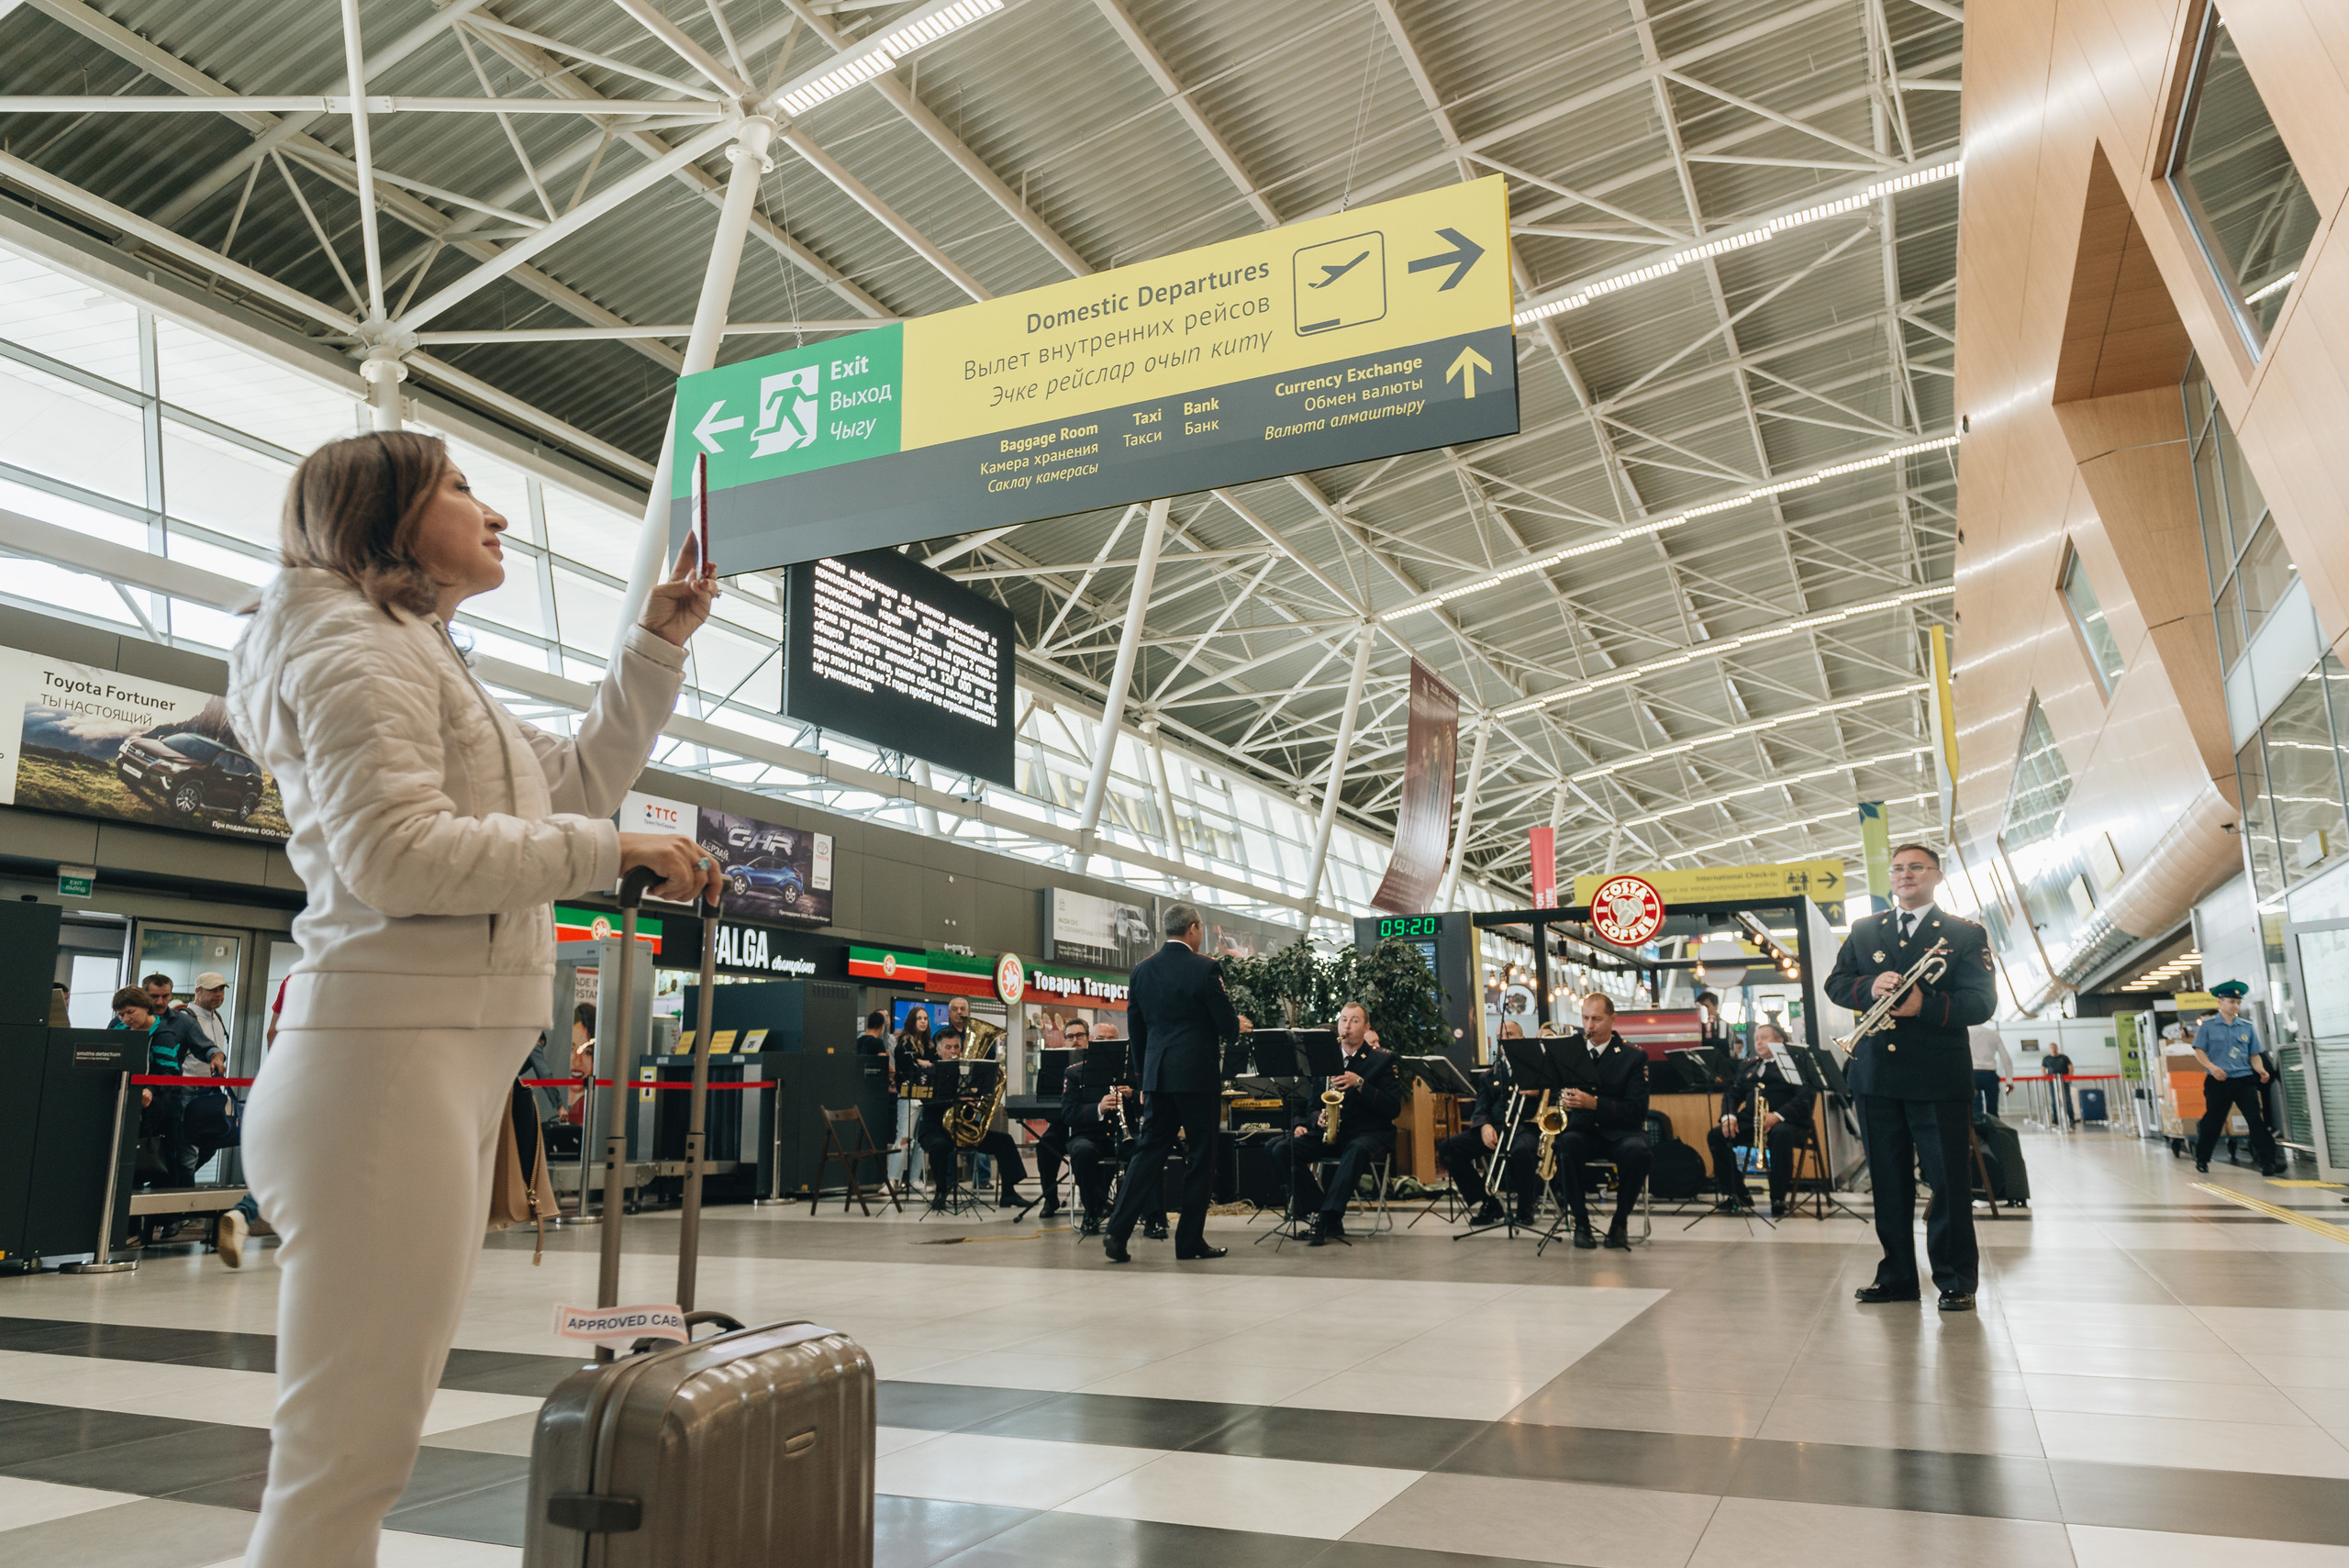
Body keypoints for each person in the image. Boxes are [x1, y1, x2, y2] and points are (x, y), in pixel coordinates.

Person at [225, 429, 718, 1566]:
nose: (494, 514)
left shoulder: (417, 648)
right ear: (381, 515)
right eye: (459, 488)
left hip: (420, 1056)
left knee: (359, 1437)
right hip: (386, 1060)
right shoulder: (351, 641)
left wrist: (651, 648)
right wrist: (612, 848)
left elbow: (577, 783)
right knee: (346, 1445)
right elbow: (397, 856)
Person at [1825, 842, 1996, 1312]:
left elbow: (1982, 1003)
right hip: (1875, 1076)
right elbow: (1836, 984)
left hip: (1937, 1078)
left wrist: (1927, 1005)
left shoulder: (1964, 934)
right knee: (1888, 1182)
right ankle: (1897, 1275)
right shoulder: (1864, 930)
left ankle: (1955, 1279)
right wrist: (1867, 987)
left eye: (1916, 867)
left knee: (1947, 1183)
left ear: (1937, 876)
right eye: (1898, 868)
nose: (1905, 875)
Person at [1103, 902, 1251, 1263]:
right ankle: (1188, 1242)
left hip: (1156, 1077)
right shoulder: (1206, 968)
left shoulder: (1141, 971)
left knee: (1148, 1152)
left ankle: (1117, 1231)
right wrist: (1239, 1025)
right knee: (1201, 1155)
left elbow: (1135, 1032)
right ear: (1194, 928)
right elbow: (1226, 1026)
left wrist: (1142, 1078)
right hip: (1196, 1078)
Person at [1289, 1001, 1402, 1245]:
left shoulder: (1382, 1060)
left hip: (1370, 1134)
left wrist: (1360, 1083)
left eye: (1354, 1021)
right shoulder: (1325, 1060)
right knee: (1280, 1149)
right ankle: (1320, 1212)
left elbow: (1393, 1108)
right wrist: (1316, 1118)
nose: (1347, 1026)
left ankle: (1328, 1218)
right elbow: (1311, 1107)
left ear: (1366, 1027)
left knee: (1357, 1149)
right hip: (1333, 1133)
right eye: (1343, 1020)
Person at [1553, 993, 1652, 1250]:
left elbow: (1637, 1111)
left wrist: (1595, 1104)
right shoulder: (1571, 1053)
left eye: (1596, 1019)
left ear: (1613, 1019)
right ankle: (1581, 1224)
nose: (1589, 1026)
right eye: (1585, 1018)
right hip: (1583, 1130)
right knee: (1565, 1146)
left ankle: (1619, 1223)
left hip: (1621, 1131)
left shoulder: (1633, 1056)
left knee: (1638, 1152)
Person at [1438, 1025, 1540, 1227]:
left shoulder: (1539, 1070)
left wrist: (1540, 1091)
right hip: (1497, 1131)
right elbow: (1481, 1108)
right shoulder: (1489, 1076)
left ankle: (1525, 1207)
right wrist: (1484, 1126)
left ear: (1523, 1038)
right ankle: (1489, 1202)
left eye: (1510, 1035)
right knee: (1448, 1148)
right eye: (1501, 1037)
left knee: (1523, 1150)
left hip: (1526, 1129)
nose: (1505, 1041)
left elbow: (1554, 1098)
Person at [1708, 1022, 1812, 1218]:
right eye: (1756, 1039)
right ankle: (1737, 1194)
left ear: (1780, 1040)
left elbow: (1805, 1096)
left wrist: (1778, 1116)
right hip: (1752, 1120)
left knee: (1780, 1135)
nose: (1759, 1042)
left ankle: (1778, 1197)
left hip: (1786, 1121)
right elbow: (1732, 1094)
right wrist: (1728, 1117)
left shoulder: (1794, 1065)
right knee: (1716, 1136)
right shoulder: (1748, 1065)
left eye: (1765, 1038)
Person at [914, 1034, 1028, 1211]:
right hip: (935, 1129)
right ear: (938, 1050)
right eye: (948, 1047)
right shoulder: (928, 1073)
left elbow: (980, 1098)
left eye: (956, 1047)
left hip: (962, 1129)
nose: (953, 1052)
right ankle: (941, 1191)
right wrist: (956, 1099)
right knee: (939, 1146)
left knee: (1004, 1141)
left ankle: (1009, 1192)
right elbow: (926, 1101)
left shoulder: (969, 1074)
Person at [2193, 980, 2284, 1174]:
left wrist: (2260, 1070)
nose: (2235, 1005)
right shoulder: (2207, 1027)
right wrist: (2211, 1067)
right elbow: (2199, 1051)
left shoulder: (2247, 1027)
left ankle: (2268, 1162)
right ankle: (2202, 1159)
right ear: (2220, 1002)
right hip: (2218, 1080)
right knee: (2213, 1121)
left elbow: (2254, 1054)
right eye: (2231, 1001)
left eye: (2238, 1002)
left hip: (2244, 1080)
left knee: (2255, 1120)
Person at [1064, 1044, 1131, 1235]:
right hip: (1088, 1135)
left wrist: (1132, 1096)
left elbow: (1148, 1106)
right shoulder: (1075, 1073)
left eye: (1111, 1040)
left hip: (1121, 1135)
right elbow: (1069, 1113)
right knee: (1083, 1151)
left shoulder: (1129, 1073)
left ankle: (1153, 1218)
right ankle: (1092, 1211)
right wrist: (1099, 1108)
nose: (1106, 1044)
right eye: (1101, 1039)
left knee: (1148, 1151)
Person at [1031, 1018, 1089, 1218]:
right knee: (1045, 1145)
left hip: (1090, 1123)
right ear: (1064, 1041)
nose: (1075, 1040)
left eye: (1079, 1036)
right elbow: (1044, 1096)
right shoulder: (1054, 1064)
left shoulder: (1098, 1061)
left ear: (1088, 1038)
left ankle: (1093, 1199)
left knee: (1091, 1149)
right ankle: (1050, 1198)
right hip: (1063, 1122)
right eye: (1070, 1037)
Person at [1967, 1021, 2013, 1121]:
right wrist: (2009, 1080)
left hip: (1972, 1074)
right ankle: (1993, 1132)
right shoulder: (1993, 1034)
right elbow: (2005, 1058)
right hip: (1990, 1074)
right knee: (1993, 1109)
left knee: (1975, 1109)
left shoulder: (1967, 1033)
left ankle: (1978, 1133)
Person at [2039, 1042, 2075, 1126]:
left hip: (2064, 1080)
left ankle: (2071, 1117)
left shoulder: (2064, 1058)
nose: (2053, 1049)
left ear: (2057, 1048)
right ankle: (2056, 1118)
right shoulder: (2046, 1059)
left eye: (2054, 1047)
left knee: (2067, 1099)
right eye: (2051, 1048)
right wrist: (2046, 1077)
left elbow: (2070, 1067)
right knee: (2054, 1100)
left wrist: (2069, 1077)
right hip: (2052, 1081)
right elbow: (2043, 1069)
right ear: (2049, 1049)